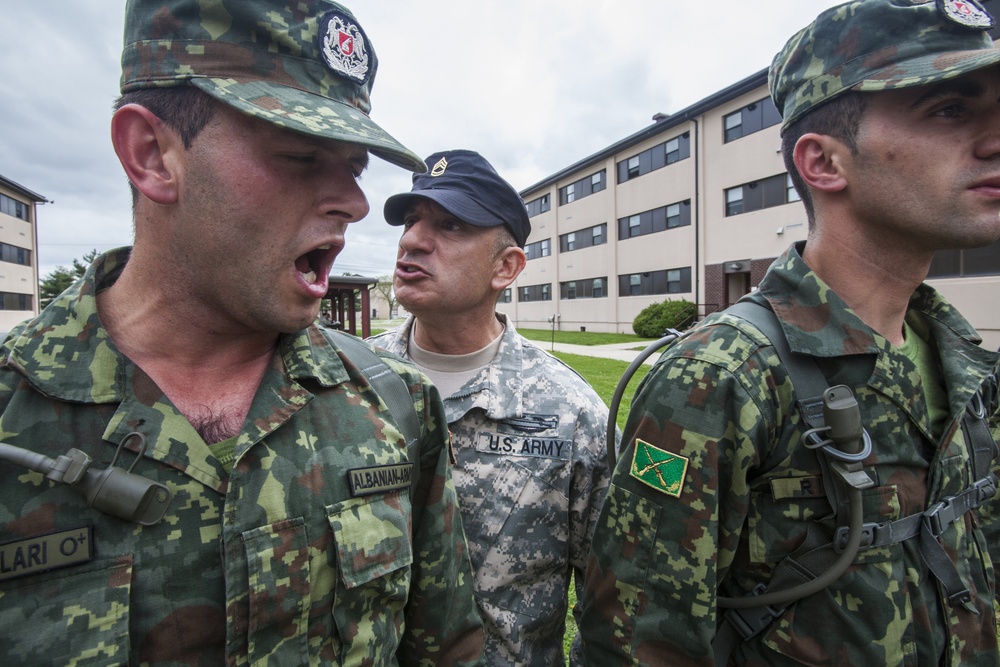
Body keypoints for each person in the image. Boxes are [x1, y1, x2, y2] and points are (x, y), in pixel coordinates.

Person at [0, 1, 485, 665]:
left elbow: (448, 649)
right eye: (300, 154)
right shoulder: (12, 412)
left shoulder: (394, 406)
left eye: (355, 165)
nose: (355, 202)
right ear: (152, 155)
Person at [580, 1, 1000, 665]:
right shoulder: (720, 378)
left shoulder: (972, 367)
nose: (993, 137)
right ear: (824, 163)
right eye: (949, 110)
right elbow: (639, 643)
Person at [368, 149, 614, 666]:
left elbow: (611, 605)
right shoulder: (347, 383)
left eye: (450, 225)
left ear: (506, 266)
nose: (413, 239)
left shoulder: (571, 413)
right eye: (411, 220)